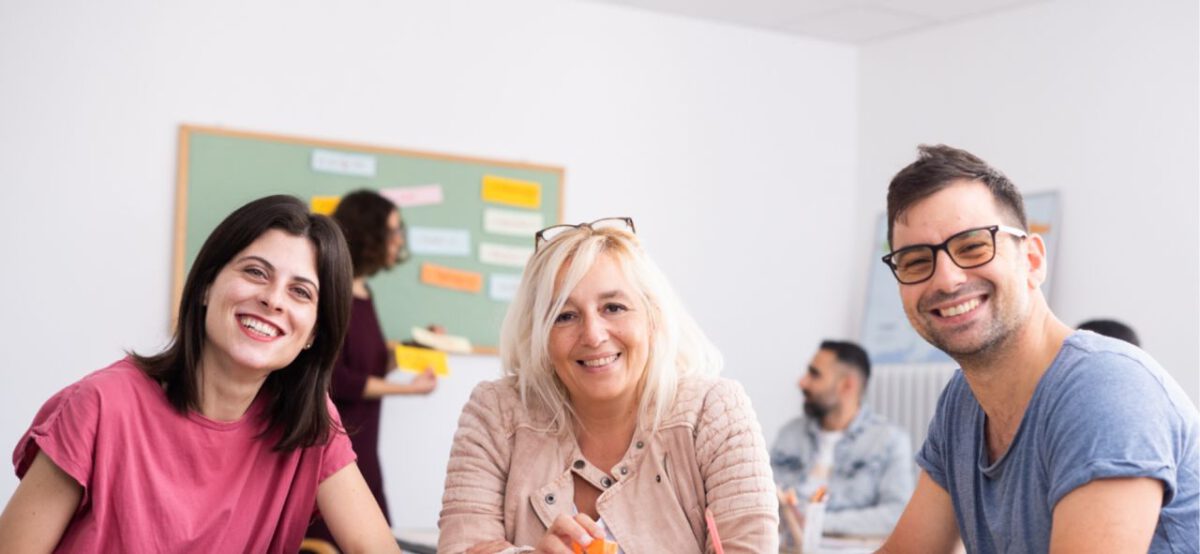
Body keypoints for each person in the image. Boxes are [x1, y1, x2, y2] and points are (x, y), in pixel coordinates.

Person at [0, 195, 400, 553]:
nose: (272, 299)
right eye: (256, 272)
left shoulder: (310, 422)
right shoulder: (102, 404)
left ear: (314, 332)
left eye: (300, 292)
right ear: (207, 285)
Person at [876, 145, 1198, 553]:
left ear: (1031, 260)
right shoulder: (961, 403)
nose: (946, 279)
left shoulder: (1105, 388)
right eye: (916, 261)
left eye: (973, 247)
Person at [438, 218, 778, 553]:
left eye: (613, 308)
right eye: (565, 316)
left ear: (653, 318)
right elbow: (463, 547)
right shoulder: (496, 411)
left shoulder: (714, 410)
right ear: (540, 335)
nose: (593, 335)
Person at [305, 189, 438, 545]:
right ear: (368, 234)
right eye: (393, 231)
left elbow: (371, 366)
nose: (399, 240)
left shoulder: (363, 291)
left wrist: (416, 349)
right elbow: (338, 379)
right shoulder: (331, 291)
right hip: (331, 452)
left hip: (363, 450)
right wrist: (409, 390)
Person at [770, 340, 913, 537]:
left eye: (814, 374)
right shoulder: (789, 434)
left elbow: (896, 515)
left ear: (847, 385)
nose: (802, 382)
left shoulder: (889, 440)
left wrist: (814, 523)